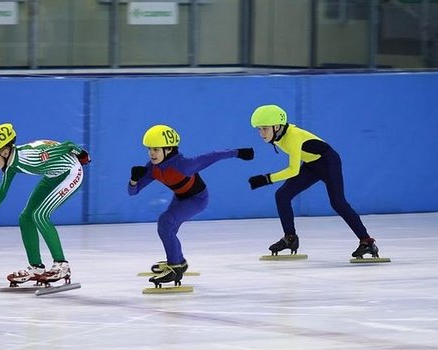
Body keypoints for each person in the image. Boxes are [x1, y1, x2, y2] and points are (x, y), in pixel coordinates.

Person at [247, 105, 381, 259]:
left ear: (276, 126)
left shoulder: (293, 136)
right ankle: (290, 238)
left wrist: (266, 179)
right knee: (282, 195)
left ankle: (367, 242)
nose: (261, 133)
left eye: (264, 128)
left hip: (329, 162)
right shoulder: (277, 137)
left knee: (338, 203)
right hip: (311, 164)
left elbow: (293, 170)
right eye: (258, 129)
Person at [128, 124, 254, 285]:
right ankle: (179, 261)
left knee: (165, 223)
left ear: (168, 150)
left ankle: (175, 266)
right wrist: (133, 180)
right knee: (168, 228)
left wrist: (238, 153)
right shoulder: (152, 168)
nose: (151, 153)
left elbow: (212, 156)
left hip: (197, 199)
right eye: (150, 149)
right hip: (180, 197)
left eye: (156, 149)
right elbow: (132, 192)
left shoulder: (183, 165)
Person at [0, 123, 90, 286]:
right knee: (25, 218)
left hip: (71, 172)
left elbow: (67, 145)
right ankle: (36, 267)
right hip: (52, 174)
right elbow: (1, 191)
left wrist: (83, 155)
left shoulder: (31, 156)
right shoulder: (10, 163)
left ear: (4, 152)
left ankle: (62, 265)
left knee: (40, 214)